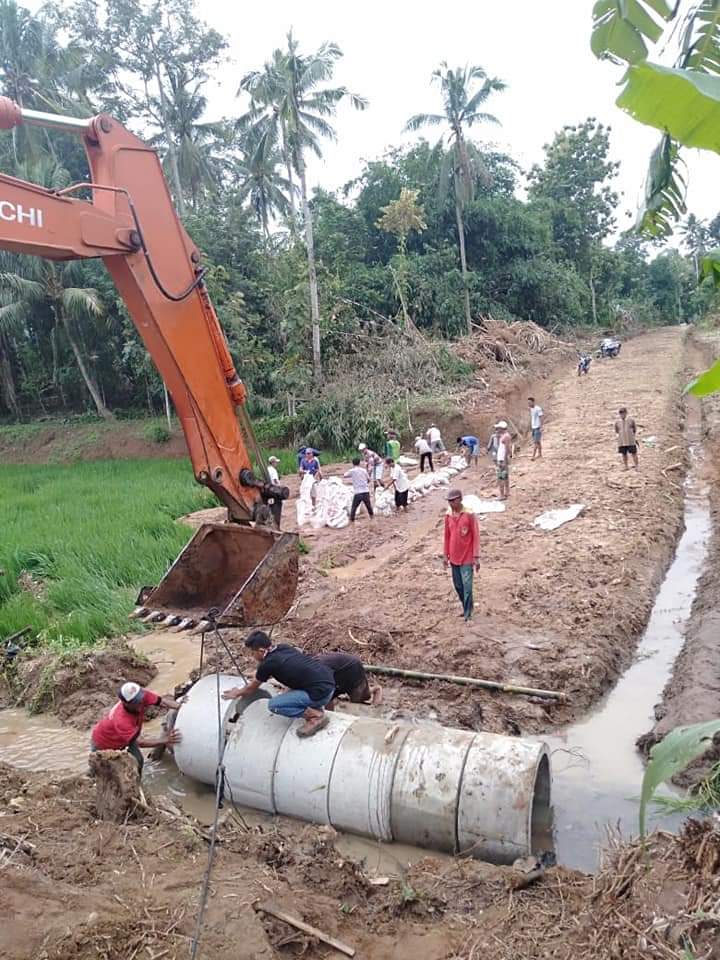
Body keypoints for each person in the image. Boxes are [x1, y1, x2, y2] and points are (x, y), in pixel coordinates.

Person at [222, 631, 335, 738]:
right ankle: (313, 706)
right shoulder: (283, 647)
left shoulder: (268, 664)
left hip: (321, 694)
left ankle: (315, 716)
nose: (252, 656)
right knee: (286, 694)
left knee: (275, 705)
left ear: (261, 651)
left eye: (252, 653)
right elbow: (292, 668)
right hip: (329, 685)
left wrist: (236, 692)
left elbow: (250, 689)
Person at [90, 682, 183, 775]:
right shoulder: (121, 720)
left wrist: (181, 707)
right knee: (104, 772)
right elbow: (140, 742)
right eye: (136, 702)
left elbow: (162, 702)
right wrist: (166, 740)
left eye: (140, 699)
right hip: (103, 743)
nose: (140, 702)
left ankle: (137, 782)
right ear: (126, 703)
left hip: (129, 735)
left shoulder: (140, 695)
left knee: (138, 760)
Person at [443, 489, 480, 622]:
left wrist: (476, 556)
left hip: (467, 556)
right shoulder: (448, 516)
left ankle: (468, 614)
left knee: (467, 586)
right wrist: (445, 555)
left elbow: (476, 536)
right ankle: (466, 606)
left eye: (453, 500)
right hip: (454, 557)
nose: (451, 503)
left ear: (460, 499)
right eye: (449, 501)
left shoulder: (469, 514)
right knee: (458, 585)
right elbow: (447, 536)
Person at [314, 651, 383, 707]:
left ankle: (376, 689)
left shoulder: (313, 671)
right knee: (327, 697)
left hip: (351, 668)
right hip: (336, 673)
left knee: (358, 698)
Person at [345, 457, 374, 522]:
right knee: (369, 506)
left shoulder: (352, 471)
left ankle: (352, 520)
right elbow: (369, 480)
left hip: (358, 492)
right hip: (366, 491)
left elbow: (345, 475)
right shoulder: (364, 470)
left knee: (354, 507)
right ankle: (372, 517)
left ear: (353, 463)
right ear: (359, 463)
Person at [495, 421, 512, 500]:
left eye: (498, 428)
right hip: (502, 459)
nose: (497, 429)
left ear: (502, 428)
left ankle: (502, 495)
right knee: (505, 476)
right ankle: (507, 492)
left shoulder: (506, 436)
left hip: (502, 460)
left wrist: (505, 460)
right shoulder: (504, 436)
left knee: (501, 477)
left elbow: (507, 448)